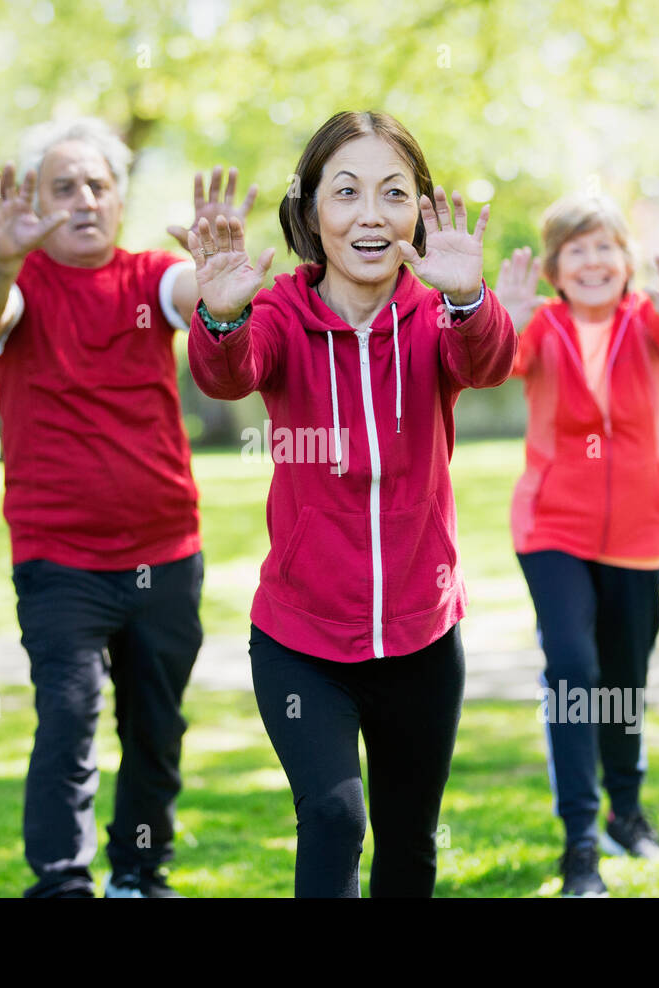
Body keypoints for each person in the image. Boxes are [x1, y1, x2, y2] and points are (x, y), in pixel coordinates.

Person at [187, 110, 517, 897]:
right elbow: (228, 373)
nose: (370, 214)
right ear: (309, 214)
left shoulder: (437, 314)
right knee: (335, 818)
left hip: (421, 637)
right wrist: (223, 314)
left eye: (393, 194)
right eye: (346, 193)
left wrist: (471, 296)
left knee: (410, 846)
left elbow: (491, 362)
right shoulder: (277, 316)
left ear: (420, 213)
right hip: (303, 639)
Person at [0, 116, 257, 898]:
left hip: (165, 552)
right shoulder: (21, 284)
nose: (85, 199)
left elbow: (191, 294)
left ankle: (140, 872)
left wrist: (216, 271)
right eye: (65, 187)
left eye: (99, 184)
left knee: (156, 730)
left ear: (120, 198)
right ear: (38, 202)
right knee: (68, 720)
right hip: (58, 558)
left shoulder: (147, 278)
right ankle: (61, 880)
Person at [495, 195, 659, 896]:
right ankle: (580, 844)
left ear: (625, 262)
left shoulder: (647, 322)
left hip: (640, 538)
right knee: (574, 671)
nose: (592, 262)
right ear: (554, 267)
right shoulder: (542, 326)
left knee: (623, 684)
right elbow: (498, 359)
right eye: (576, 250)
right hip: (553, 529)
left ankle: (627, 813)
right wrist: (500, 320)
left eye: (604, 248)